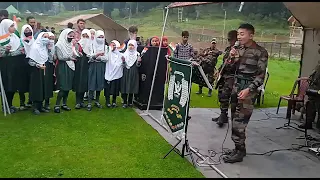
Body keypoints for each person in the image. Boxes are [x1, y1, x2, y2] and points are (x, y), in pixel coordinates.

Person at [222, 23, 268, 163]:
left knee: (240, 123)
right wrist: (231, 57)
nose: (239, 37)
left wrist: (249, 90)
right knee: (234, 118)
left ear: (251, 35)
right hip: (236, 86)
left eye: (242, 34)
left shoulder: (260, 52)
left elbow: (260, 76)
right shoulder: (238, 49)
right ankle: (237, 148)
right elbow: (229, 68)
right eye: (238, 34)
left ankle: (240, 152)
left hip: (248, 90)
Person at [212, 30, 238, 126]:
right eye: (228, 39)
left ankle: (224, 116)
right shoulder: (228, 49)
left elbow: (234, 64)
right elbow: (224, 62)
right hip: (224, 75)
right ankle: (223, 114)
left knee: (225, 95)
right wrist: (218, 70)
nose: (229, 41)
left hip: (231, 76)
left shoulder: (238, 50)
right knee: (220, 94)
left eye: (231, 39)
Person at [0, 19, 25, 113]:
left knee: (14, 85)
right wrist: (8, 51)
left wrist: (19, 51)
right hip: (6, 65)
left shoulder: (15, 37)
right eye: (11, 26)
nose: (14, 28)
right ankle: (5, 105)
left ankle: (10, 104)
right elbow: (3, 54)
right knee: (7, 85)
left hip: (16, 64)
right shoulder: (2, 39)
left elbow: (19, 48)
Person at [54, 28, 76, 113]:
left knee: (68, 87)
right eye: (69, 36)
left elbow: (72, 53)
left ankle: (64, 104)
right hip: (63, 66)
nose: (71, 38)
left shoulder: (70, 44)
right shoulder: (59, 45)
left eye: (72, 36)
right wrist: (69, 58)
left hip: (70, 66)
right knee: (63, 86)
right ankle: (57, 105)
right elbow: (60, 57)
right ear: (65, 35)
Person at [28, 32, 51, 115]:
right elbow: (30, 61)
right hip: (36, 71)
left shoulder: (45, 48)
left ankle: (41, 106)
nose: (46, 39)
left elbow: (48, 57)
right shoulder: (35, 47)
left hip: (44, 69)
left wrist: (49, 49)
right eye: (45, 37)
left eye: (48, 37)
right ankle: (35, 107)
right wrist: (38, 65)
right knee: (36, 88)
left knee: (43, 87)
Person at [87, 30, 107, 111]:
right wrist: (97, 55)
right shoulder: (91, 45)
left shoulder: (106, 47)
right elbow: (90, 57)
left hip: (101, 67)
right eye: (99, 37)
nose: (101, 39)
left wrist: (97, 57)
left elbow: (106, 58)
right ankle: (89, 102)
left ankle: (97, 101)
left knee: (99, 83)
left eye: (102, 37)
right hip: (93, 66)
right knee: (92, 83)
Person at [298, 59, 320, 130]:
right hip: (313, 90)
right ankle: (308, 123)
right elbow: (312, 76)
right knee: (310, 105)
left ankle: (318, 125)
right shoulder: (318, 66)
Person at [73, 29, 91, 109]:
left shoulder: (91, 45)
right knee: (78, 83)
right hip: (79, 66)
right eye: (83, 36)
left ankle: (82, 101)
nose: (85, 38)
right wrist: (77, 54)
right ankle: (77, 101)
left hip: (87, 66)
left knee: (84, 83)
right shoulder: (78, 44)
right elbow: (74, 54)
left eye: (87, 36)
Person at [121, 40, 142, 108]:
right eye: (129, 45)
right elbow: (122, 65)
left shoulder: (137, 54)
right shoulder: (124, 54)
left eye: (132, 45)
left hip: (133, 71)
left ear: (135, 46)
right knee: (125, 85)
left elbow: (138, 65)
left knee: (132, 86)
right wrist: (123, 61)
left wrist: (139, 62)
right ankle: (124, 101)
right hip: (126, 71)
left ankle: (130, 101)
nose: (131, 47)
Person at [19, 24, 35, 110]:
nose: (28, 32)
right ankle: (22, 102)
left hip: (32, 63)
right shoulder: (19, 41)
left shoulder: (34, 41)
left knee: (31, 82)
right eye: (26, 31)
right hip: (22, 63)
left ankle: (30, 100)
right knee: (22, 83)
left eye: (29, 31)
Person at [104, 40, 124, 108]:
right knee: (107, 88)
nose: (113, 47)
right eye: (112, 45)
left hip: (117, 74)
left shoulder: (120, 54)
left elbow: (123, 64)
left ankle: (114, 101)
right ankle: (107, 101)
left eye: (114, 45)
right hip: (108, 72)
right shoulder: (108, 53)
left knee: (115, 89)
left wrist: (123, 61)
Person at [43, 32, 56, 110]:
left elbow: (54, 57)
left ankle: (47, 102)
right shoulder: (42, 46)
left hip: (50, 66)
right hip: (44, 65)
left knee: (49, 84)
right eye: (49, 38)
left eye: (52, 39)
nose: (50, 40)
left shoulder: (53, 46)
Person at [84, 28, 97, 101]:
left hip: (95, 63)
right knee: (87, 78)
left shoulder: (96, 42)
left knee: (94, 78)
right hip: (87, 62)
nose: (92, 35)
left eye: (93, 34)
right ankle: (86, 94)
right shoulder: (87, 42)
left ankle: (93, 95)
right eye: (90, 33)